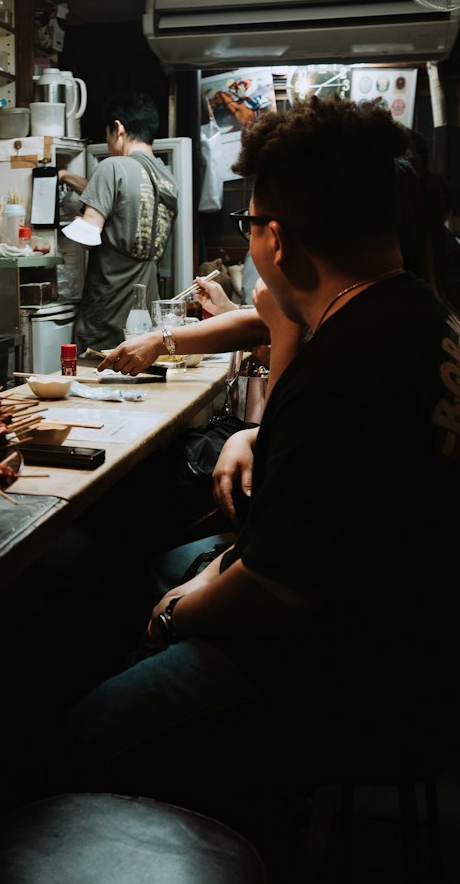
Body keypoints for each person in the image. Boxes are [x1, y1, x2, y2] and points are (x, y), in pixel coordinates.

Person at [64, 96, 460, 831]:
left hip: (352, 680)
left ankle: (236, 879)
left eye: (250, 225)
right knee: (173, 574)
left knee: (83, 731)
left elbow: (277, 594)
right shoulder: (418, 317)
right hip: (416, 647)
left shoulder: (343, 369)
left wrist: (176, 613)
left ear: (277, 240)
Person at [61, 90, 178, 352]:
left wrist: (68, 221)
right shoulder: (168, 180)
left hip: (107, 313)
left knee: (92, 388)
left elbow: (87, 237)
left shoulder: (112, 166)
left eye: (107, 136)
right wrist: (67, 176)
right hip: (144, 314)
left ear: (118, 128)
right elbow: (124, 200)